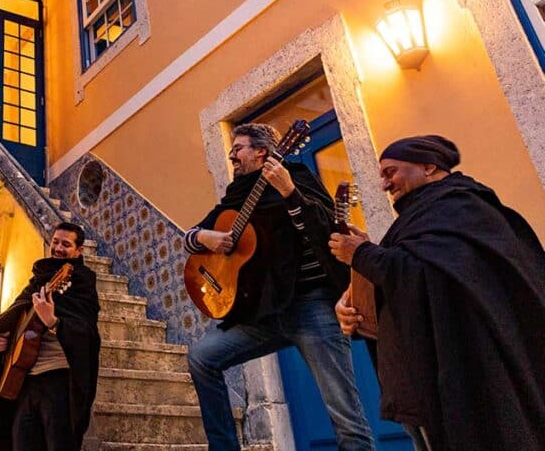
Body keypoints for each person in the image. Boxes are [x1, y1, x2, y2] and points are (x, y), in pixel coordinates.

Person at [330, 135, 545, 451]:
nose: (385, 185)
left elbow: (438, 277)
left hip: (471, 379)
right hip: (425, 382)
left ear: (429, 166)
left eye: (391, 172)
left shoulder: (462, 207)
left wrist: (363, 254)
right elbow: (411, 282)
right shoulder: (420, 218)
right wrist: (353, 308)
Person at [184, 123, 374, 451]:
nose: (232, 155)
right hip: (263, 311)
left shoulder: (297, 177)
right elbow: (192, 235)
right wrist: (206, 237)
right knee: (201, 357)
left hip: (312, 305)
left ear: (262, 152)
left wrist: (289, 193)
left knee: (345, 416)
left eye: (239, 148)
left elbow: (325, 230)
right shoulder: (236, 195)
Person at [0, 222, 100, 451]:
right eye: (55, 242)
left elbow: (87, 332)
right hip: (25, 382)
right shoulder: (37, 280)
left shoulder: (83, 281)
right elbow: (12, 318)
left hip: (58, 380)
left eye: (66, 244)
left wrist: (53, 322)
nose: (58, 248)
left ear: (79, 251)